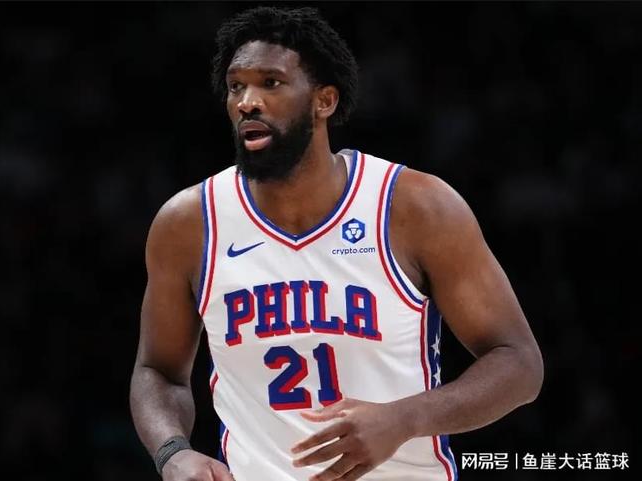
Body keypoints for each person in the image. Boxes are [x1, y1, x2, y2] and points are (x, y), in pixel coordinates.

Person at [129, 6, 544, 481]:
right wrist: (172, 452)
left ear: (324, 101)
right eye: (236, 86)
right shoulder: (189, 224)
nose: (247, 102)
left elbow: (519, 364)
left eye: (271, 83)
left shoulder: (414, 208)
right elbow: (157, 372)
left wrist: (405, 419)